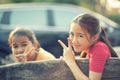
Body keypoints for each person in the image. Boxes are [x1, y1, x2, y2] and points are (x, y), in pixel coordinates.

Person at [58, 14, 118, 80]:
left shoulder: (99, 48)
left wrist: (70, 62)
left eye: (80, 36)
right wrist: (68, 58)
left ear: (95, 37)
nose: (74, 40)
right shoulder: (87, 50)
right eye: (72, 34)